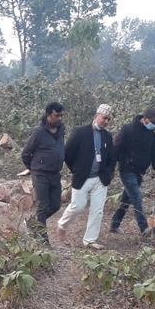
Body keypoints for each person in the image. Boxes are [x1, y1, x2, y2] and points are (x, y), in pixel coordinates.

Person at [56, 103, 118, 248]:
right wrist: (76, 169)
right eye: (104, 118)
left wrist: (109, 173)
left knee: (97, 210)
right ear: (96, 116)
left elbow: (111, 157)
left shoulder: (107, 136)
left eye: (108, 119)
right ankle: (62, 224)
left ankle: (90, 240)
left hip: (100, 179)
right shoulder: (80, 132)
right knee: (77, 206)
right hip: (82, 177)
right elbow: (68, 153)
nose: (106, 122)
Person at [110, 108, 155, 236]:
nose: (154, 125)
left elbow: (153, 150)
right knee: (137, 197)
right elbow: (116, 148)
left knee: (127, 199)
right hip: (127, 169)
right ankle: (144, 228)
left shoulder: (150, 133)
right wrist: (111, 168)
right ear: (145, 118)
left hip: (140, 171)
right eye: (152, 122)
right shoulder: (128, 129)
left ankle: (114, 224)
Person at [21, 102, 66, 247]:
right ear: (48, 115)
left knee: (56, 205)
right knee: (43, 205)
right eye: (56, 115)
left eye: (61, 115)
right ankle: (42, 239)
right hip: (40, 173)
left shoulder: (61, 130)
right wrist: (32, 167)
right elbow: (26, 153)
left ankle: (34, 223)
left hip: (55, 173)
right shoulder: (38, 132)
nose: (59, 118)